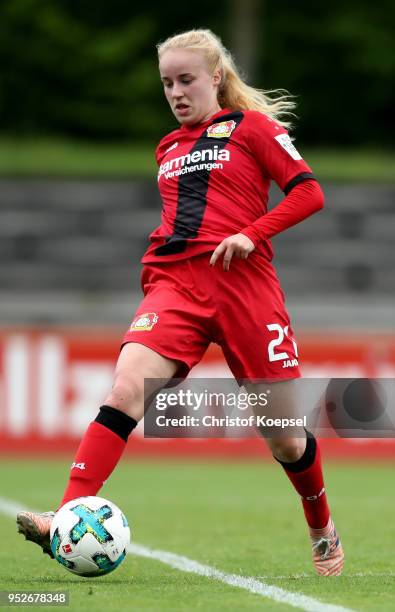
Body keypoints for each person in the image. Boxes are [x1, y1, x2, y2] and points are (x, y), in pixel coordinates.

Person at [17, 28, 343, 576]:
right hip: (179, 289)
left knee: (285, 438)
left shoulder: (253, 128)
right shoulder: (167, 146)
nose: (176, 92)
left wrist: (252, 233)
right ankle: (66, 514)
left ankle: (320, 524)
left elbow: (310, 191)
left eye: (186, 79)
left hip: (245, 287)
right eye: (167, 82)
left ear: (215, 77)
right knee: (125, 388)